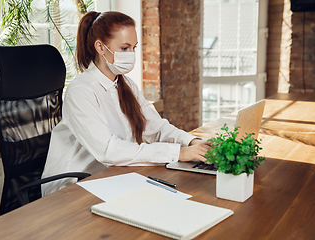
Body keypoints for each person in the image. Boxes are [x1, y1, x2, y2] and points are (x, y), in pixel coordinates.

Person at [41, 11, 211, 196]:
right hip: (72, 187)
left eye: (134, 47)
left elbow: (156, 127)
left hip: (112, 177)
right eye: (124, 48)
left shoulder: (126, 84)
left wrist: (193, 142)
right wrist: (179, 153)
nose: (131, 54)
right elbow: (110, 151)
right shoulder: (81, 91)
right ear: (100, 47)